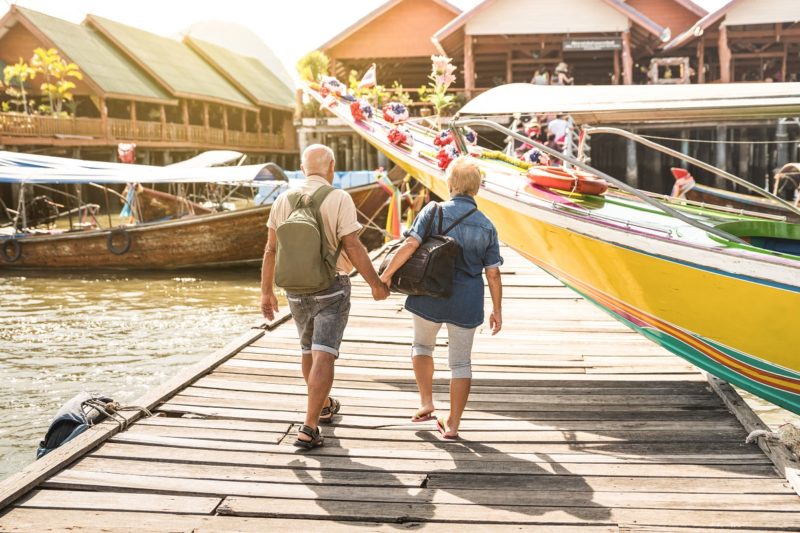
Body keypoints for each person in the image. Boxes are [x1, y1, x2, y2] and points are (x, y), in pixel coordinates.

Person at [260, 144, 389, 449]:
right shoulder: (339, 197)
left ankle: (325, 406)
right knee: (324, 354)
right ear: (331, 167)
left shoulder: (282, 199)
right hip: (331, 287)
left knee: (308, 351)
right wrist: (376, 284)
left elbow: (270, 249)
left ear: (303, 168)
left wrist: (266, 292)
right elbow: (353, 246)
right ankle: (309, 427)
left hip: (294, 289)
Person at [379, 157, 503, 439]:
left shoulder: (433, 211)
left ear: (449, 184)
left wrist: (386, 276)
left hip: (428, 294)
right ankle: (453, 425)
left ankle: (426, 402)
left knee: (422, 345)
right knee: (461, 363)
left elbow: (411, 245)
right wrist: (497, 309)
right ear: (477, 189)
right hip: (467, 300)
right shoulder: (487, 225)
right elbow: (493, 273)